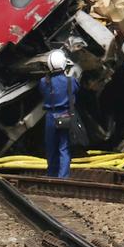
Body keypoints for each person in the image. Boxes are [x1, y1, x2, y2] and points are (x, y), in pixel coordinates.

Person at [39, 49, 76, 178]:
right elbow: (76, 91)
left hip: (50, 116)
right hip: (65, 116)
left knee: (51, 147)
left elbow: (42, 92)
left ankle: (51, 174)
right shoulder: (71, 81)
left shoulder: (44, 82)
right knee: (64, 147)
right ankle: (63, 177)